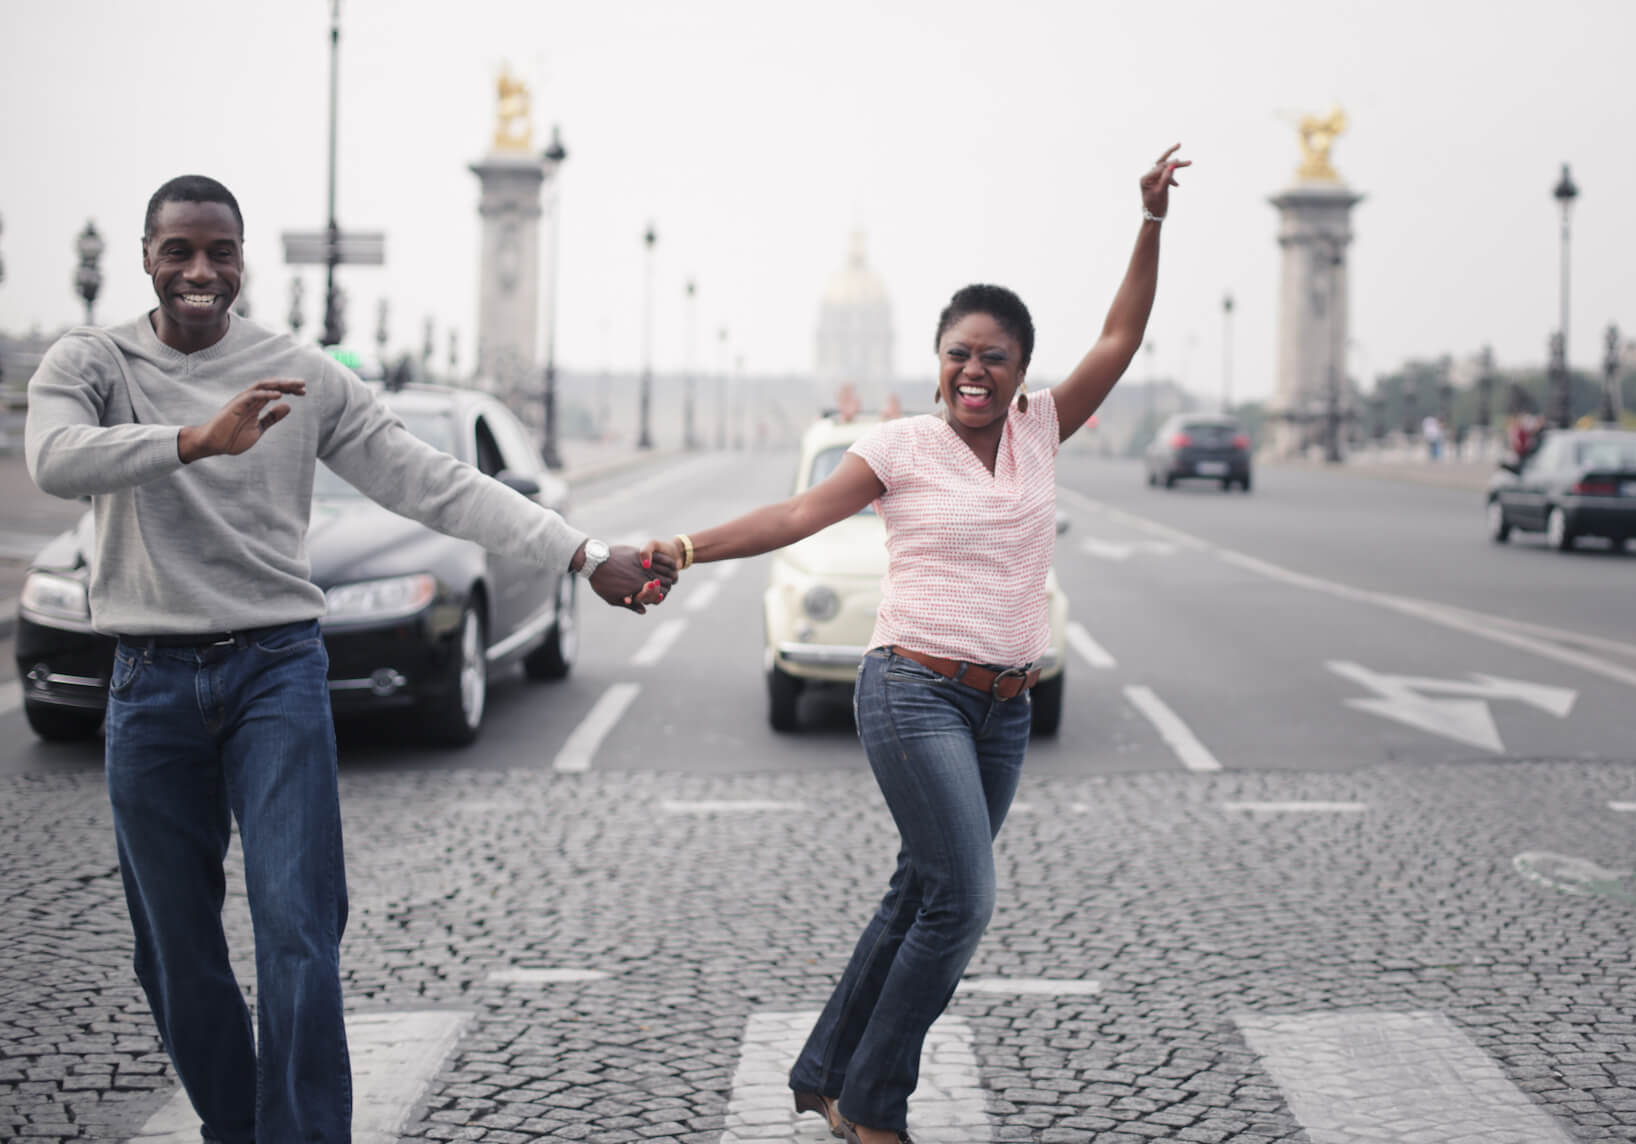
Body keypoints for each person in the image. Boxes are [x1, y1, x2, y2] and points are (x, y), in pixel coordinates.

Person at [24, 175, 676, 1144]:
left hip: (275, 671)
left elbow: (434, 481)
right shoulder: (93, 360)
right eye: (179, 251)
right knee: (171, 948)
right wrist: (197, 439)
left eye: (219, 251)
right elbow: (53, 457)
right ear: (147, 257)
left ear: (244, 260)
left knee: (297, 932)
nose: (200, 271)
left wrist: (580, 554)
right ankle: (235, 1122)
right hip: (150, 679)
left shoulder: (298, 373)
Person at [641, 145, 1189, 1144]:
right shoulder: (898, 446)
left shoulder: (1041, 431)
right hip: (913, 691)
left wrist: (1149, 220)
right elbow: (799, 514)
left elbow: (1122, 332)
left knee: (921, 889)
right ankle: (875, 1106)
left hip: (1006, 708)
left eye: (995, 357)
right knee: (963, 903)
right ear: (934, 359)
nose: (974, 371)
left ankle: (824, 1071)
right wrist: (681, 547)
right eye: (958, 353)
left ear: (1021, 370)